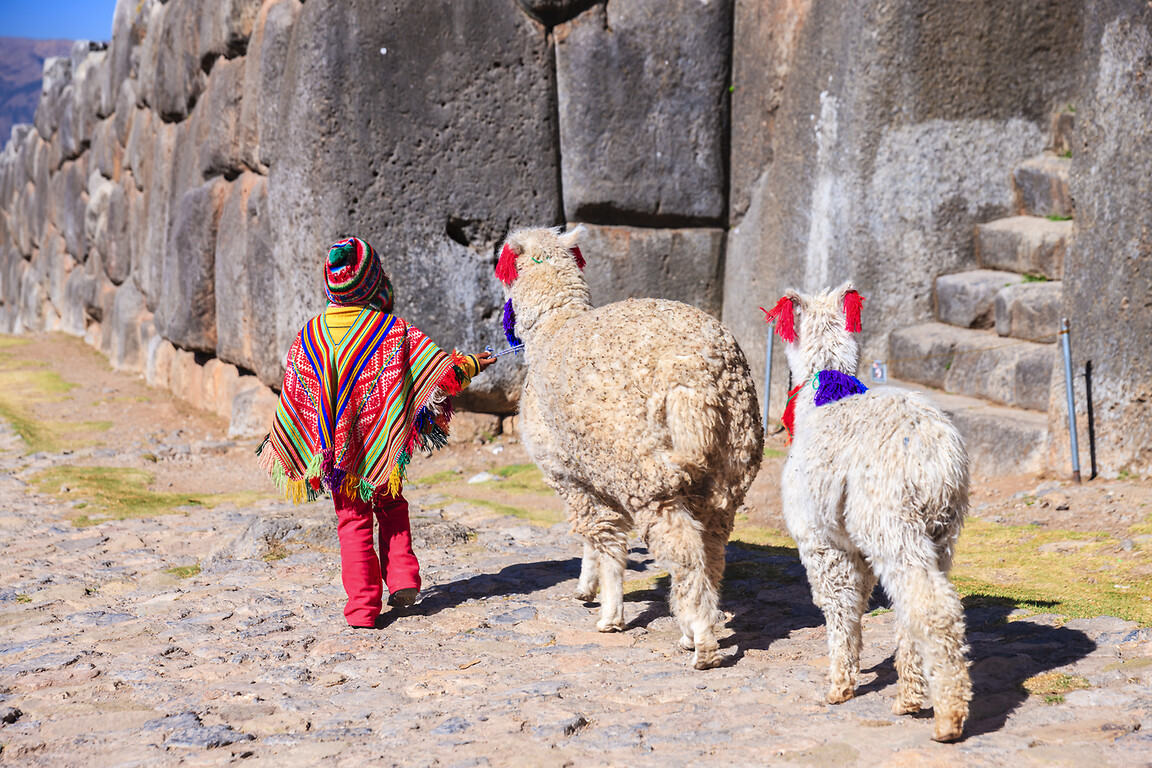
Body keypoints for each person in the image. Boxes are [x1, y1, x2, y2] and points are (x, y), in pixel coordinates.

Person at [258, 237, 496, 628]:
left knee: (351, 521)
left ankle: (362, 609)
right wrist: (471, 363)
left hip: (336, 455)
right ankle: (402, 576)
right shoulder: (392, 329)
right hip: (381, 444)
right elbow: (439, 371)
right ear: (372, 281)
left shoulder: (311, 335)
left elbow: (298, 390)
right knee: (391, 506)